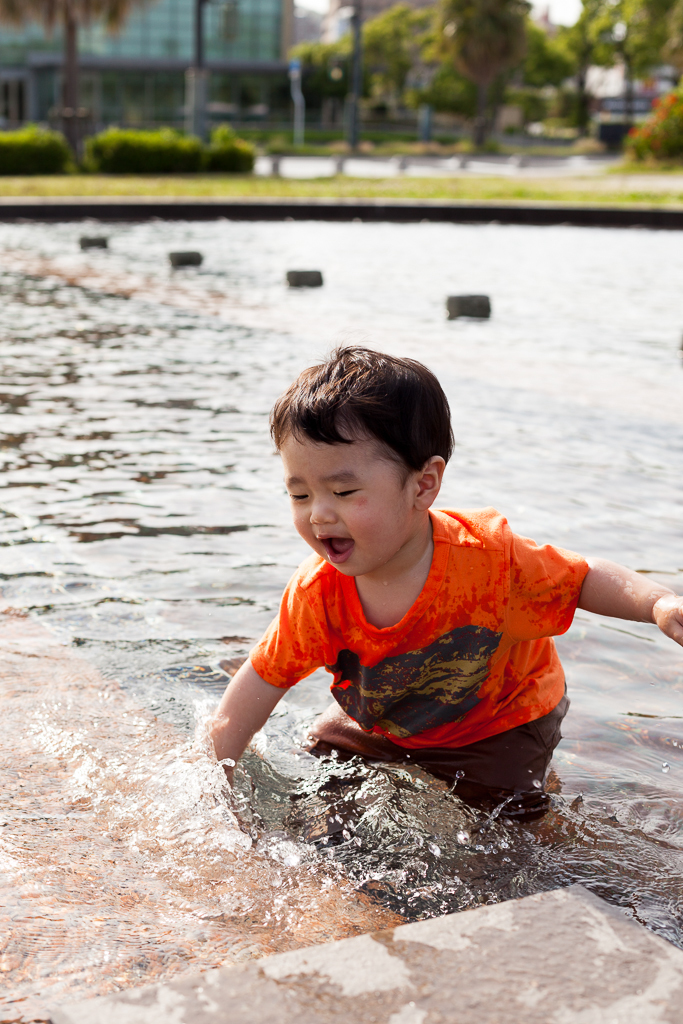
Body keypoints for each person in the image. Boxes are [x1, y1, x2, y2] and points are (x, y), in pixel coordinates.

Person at [209, 347, 683, 821]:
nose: (319, 514)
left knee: (504, 824)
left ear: (422, 485)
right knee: (322, 769)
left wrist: (657, 602)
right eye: (299, 494)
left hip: (500, 721)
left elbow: (582, 578)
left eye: (344, 492)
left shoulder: (488, 560)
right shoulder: (318, 594)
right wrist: (213, 773)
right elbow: (261, 679)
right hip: (388, 720)